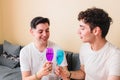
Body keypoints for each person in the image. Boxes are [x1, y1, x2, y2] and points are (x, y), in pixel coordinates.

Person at [56, 7, 120, 80]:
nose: (78, 32)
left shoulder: (115, 55)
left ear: (96, 31)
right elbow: (83, 73)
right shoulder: (84, 47)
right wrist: (68, 74)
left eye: (82, 28)